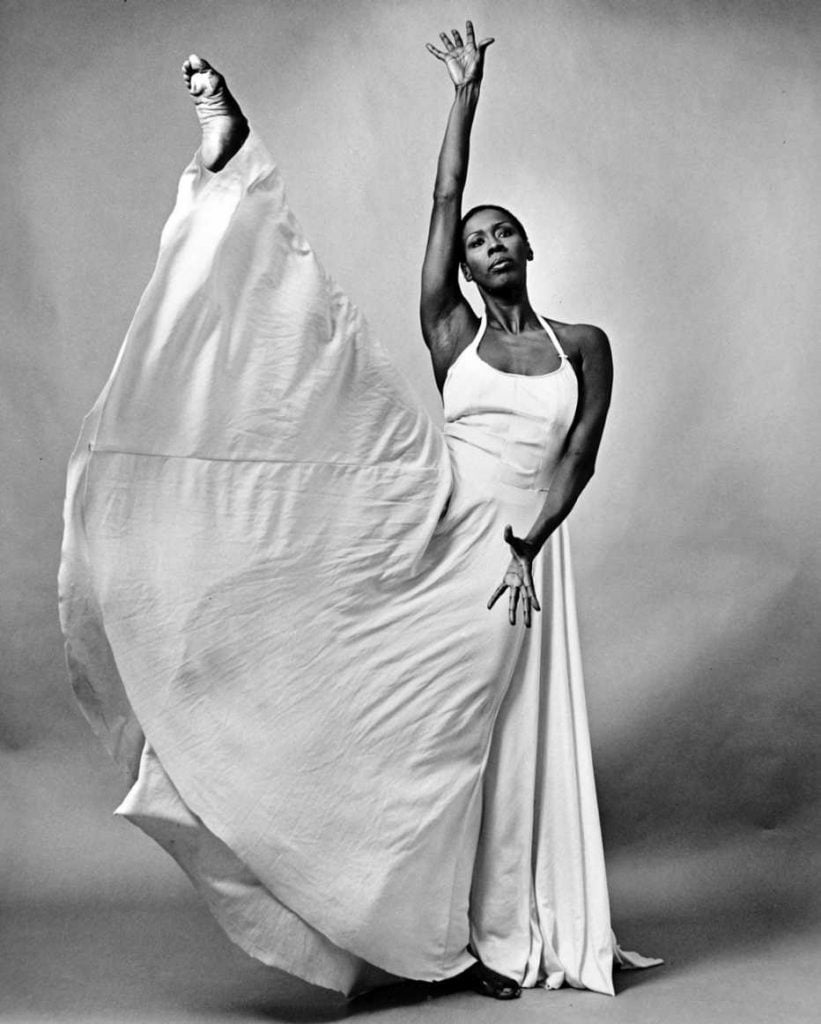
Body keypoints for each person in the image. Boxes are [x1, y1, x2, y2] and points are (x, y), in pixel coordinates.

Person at [59, 22, 660, 1003]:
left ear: (529, 247)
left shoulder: (584, 343)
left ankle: (490, 936)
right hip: (449, 534)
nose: (488, 241)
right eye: (475, 239)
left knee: (477, 744)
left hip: (522, 555)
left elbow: (580, 456)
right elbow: (440, 197)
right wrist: (463, 97)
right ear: (460, 267)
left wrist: (529, 541)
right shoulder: (448, 330)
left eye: (503, 231)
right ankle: (235, 164)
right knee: (417, 728)